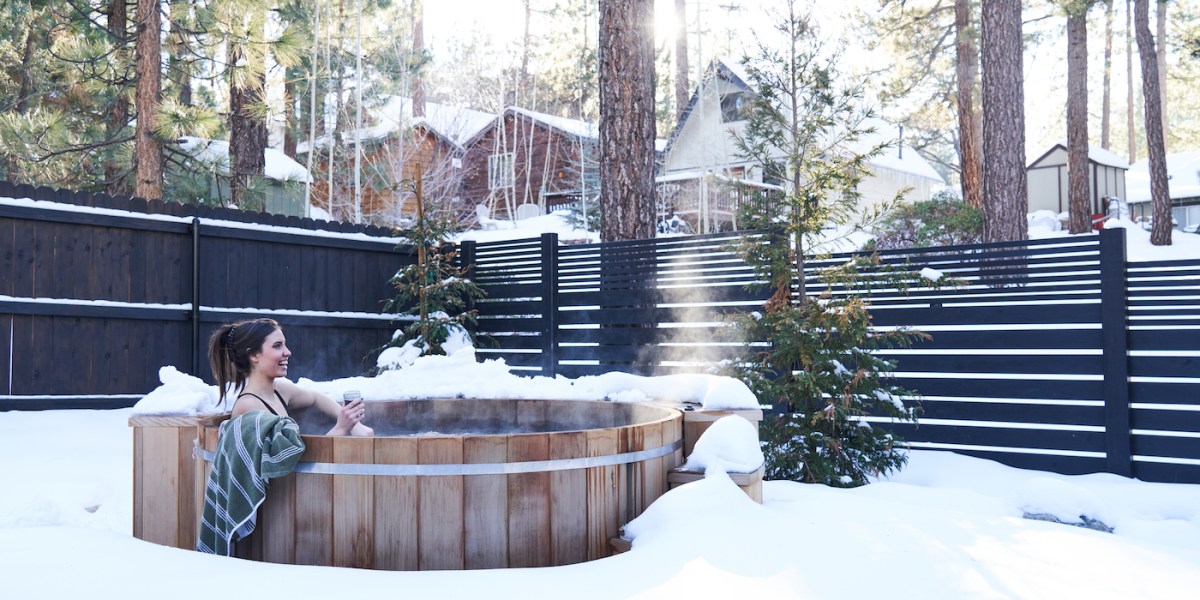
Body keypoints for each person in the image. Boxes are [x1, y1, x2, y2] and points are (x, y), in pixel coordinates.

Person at [208, 318, 373, 436]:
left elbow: (316, 398)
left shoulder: (279, 389)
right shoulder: (250, 406)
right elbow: (289, 462)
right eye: (277, 346)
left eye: (285, 344)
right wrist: (341, 428)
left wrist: (356, 425)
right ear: (254, 355)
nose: (288, 352)